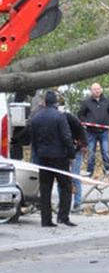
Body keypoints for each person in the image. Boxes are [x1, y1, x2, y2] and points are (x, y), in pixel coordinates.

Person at [30, 91, 76, 227]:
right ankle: (63, 216)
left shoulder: (36, 117)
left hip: (43, 157)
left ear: (44, 102)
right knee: (66, 186)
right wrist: (71, 154)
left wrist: (38, 153)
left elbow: (33, 139)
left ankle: (46, 219)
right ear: (56, 102)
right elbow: (66, 137)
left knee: (45, 189)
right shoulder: (60, 117)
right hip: (59, 157)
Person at [78, 82, 109, 178]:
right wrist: (86, 122)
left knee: (105, 152)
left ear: (101, 89)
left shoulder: (107, 100)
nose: (97, 91)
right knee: (91, 152)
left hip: (104, 131)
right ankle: (89, 171)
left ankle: (107, 171)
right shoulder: (86, 102)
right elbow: (80, 114)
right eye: (95, 89)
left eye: (98, 89)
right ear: (91, 91)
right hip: (91, 132)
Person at [61, 98, 87, 211]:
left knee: (75, 176)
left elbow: (82, 131)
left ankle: (77, 202)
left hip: (76, 150)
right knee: (62, 177)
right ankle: (63, 202)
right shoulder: (55, 121)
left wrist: (84, 145)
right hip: (62, 152)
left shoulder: (70, 119)